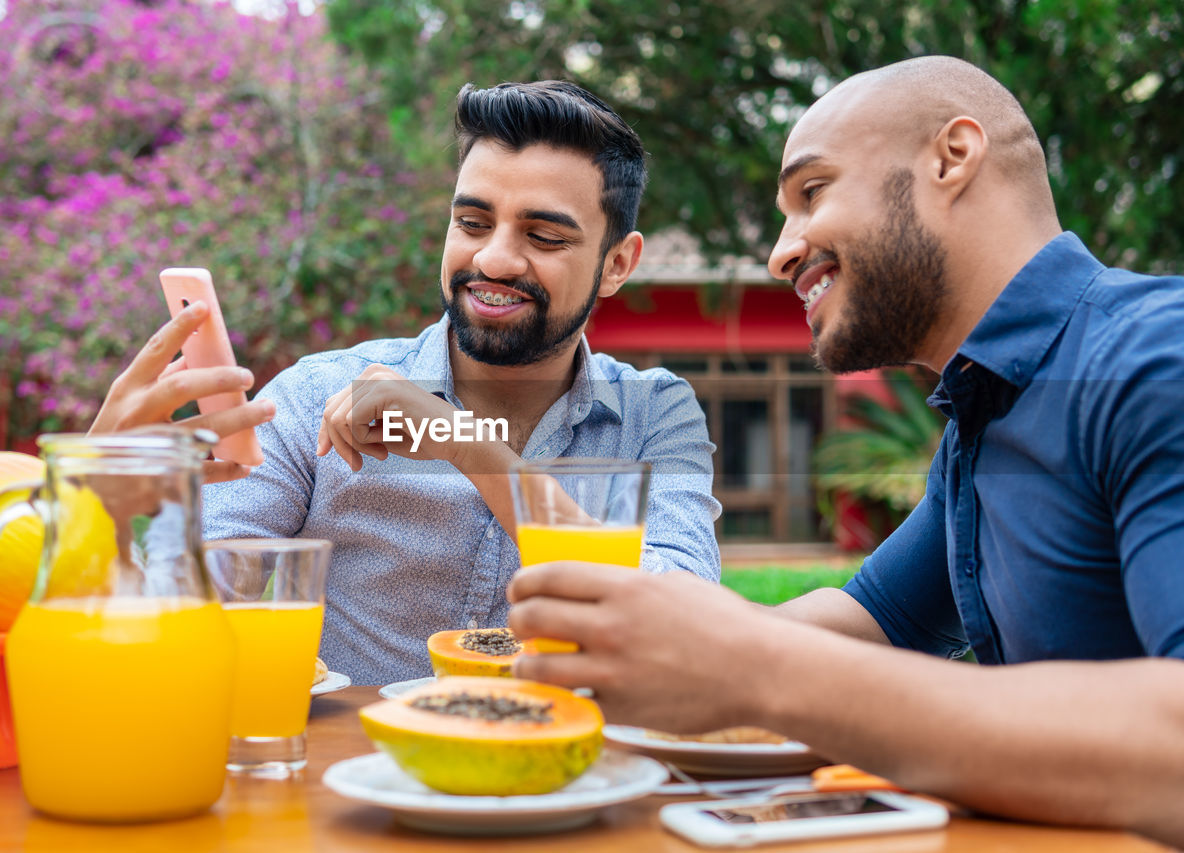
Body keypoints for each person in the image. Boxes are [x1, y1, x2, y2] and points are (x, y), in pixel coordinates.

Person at [506, 56, 1184, 846]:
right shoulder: (987, 415)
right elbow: (877, 619)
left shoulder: (1150, 360)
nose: (780, 253)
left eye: (812, 192)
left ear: (951, 158)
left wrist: (755, 666)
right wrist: (648, 650)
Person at [195, 80, 721, 685]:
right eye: (472, 222)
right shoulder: (317, 393)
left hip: (570, 769)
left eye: (545, 236)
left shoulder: (654, 411)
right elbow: (189, 598)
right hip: (356, 771)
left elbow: (685, 620)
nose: (494, 260)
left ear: (617, 263)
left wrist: (468, 447)